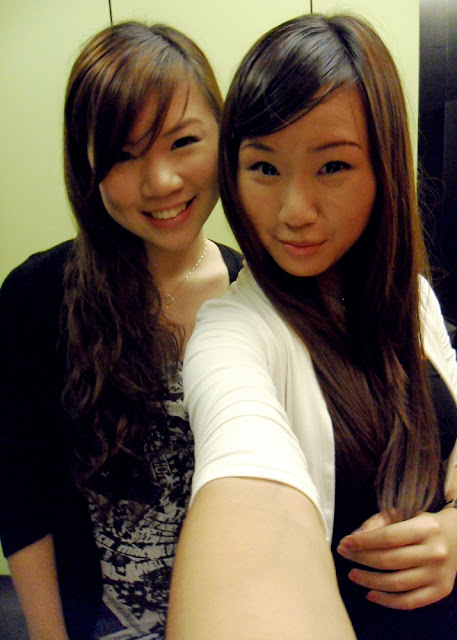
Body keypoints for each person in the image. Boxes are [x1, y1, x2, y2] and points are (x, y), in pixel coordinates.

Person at [166, 13, 457, 640]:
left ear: (383, 167)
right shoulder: (232, 333)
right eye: (264, 168)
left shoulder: (413, 300)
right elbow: (248, 489)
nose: (294, 211)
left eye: (332, 167)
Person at [0, 21, 242, 640]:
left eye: (184, 141)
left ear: (224, 135)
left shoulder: (260, 295)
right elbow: (21, 493)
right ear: (87, 164)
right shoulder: (37, 295)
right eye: (124, 155)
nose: (161, 182)